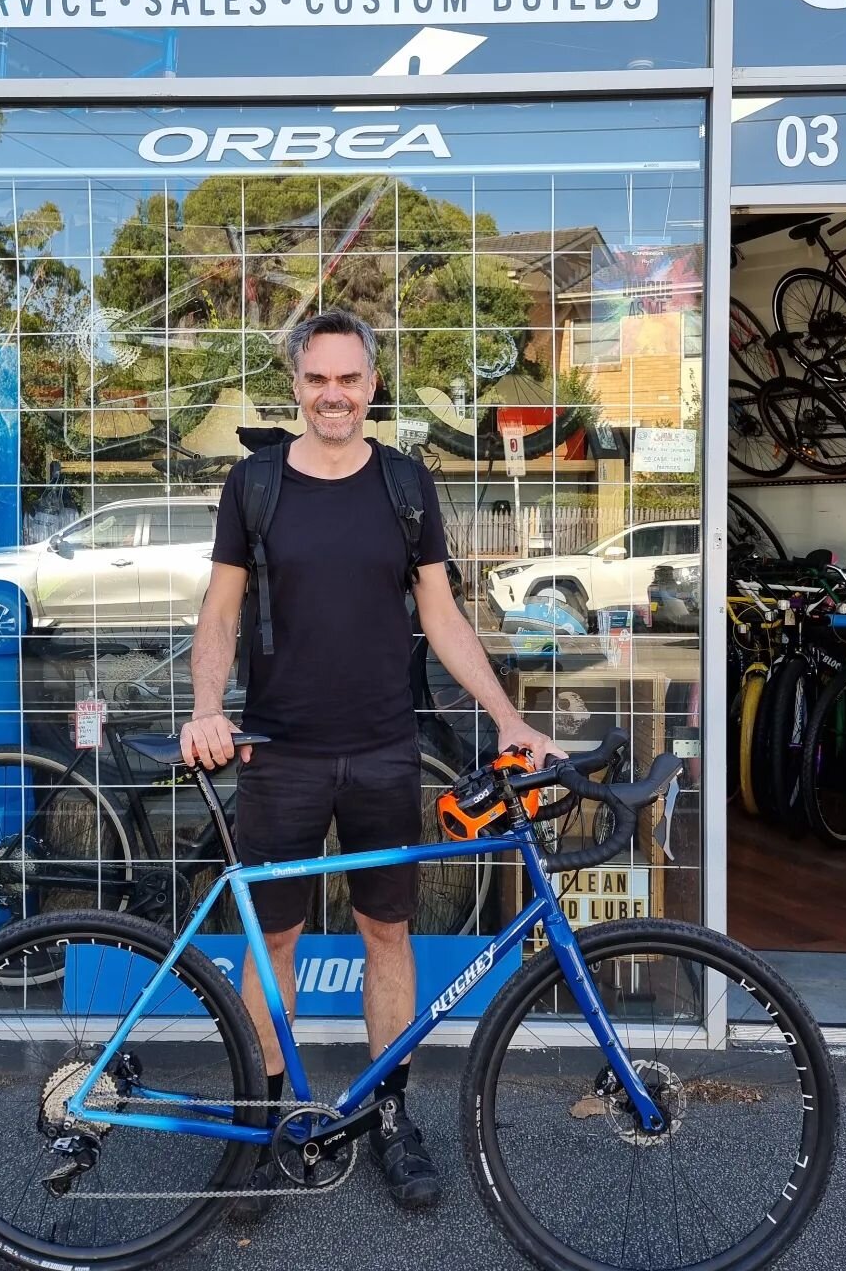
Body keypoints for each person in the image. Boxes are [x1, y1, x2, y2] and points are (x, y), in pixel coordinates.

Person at [180, 310, 561, 1220]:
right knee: (271, 945)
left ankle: (390, 1114)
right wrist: (203, 708)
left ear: (372, 384)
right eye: (318, 379)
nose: (334, 395)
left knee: (385, 934)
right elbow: (219, 612)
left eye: (349, 379)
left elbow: (442, 617)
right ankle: (262, 1120)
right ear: (297, 384)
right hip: (280, 751)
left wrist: (507, 718)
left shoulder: (404, 484)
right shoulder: (255, 484)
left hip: (388, 749)